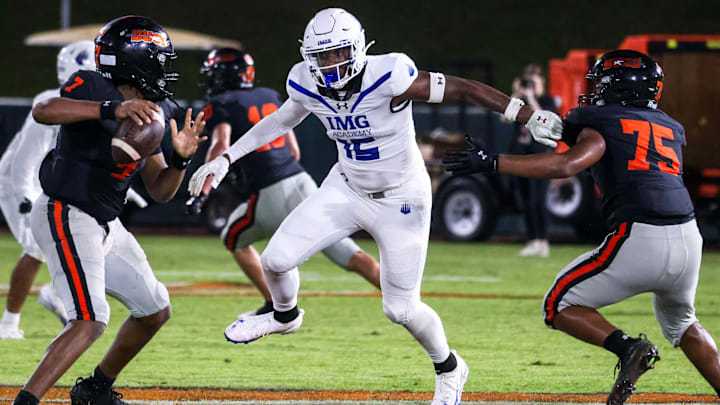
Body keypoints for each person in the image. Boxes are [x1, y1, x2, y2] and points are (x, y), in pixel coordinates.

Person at [189, 8, 562, 404]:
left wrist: (526, 115)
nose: (330, 64)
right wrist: (226, 158)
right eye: (321, 56)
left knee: (400, 309)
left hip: (401, 197)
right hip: (347, 187)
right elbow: (282, 121)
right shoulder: (305, 81)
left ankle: (450, 367)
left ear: (357, 49)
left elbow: (463, 89)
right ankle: (285, 316)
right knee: (275, 261)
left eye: (337, 53)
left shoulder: (391, 75)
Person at [442, 49, 720, 404]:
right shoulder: (671, 127)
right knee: (684, 323)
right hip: (689, 239)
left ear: (618, 88)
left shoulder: (603, 120)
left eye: (601, 84)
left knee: (558, 304)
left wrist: (494, 162)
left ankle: (629, 348)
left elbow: (567, 165)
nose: (595, 91)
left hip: (640, 236)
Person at [12, 16, 206, 405]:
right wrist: (111, 109)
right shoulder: (91, 83)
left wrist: (181, 160)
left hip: (104, 222)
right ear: (137, 60)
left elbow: (160, 190)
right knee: (89, 320)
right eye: (159, 59)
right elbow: (44, 110)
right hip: (66, 211)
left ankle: (95, 388)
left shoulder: (152, 110)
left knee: (154, 310)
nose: (164, 68)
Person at [187, 47, 381, 318]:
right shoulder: (269, 95)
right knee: (348, 253)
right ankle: (405, 298)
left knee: (232, 237)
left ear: (220, 75)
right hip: (302, 182)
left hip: (270, 191)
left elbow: (220, 144)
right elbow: (294, 149)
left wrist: (203, 192)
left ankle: (274, 303)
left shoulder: (221, 103)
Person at [0, 40, 96, 339]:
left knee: (91, 238)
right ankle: (8, 323)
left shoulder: (91, 105)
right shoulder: (52, 101)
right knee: (36, 247)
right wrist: (24, 196)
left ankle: (56, 293)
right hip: (17, 182)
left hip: (48, 181)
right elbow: (25, 157)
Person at [510, 64, 557, 257]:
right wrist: (515, 95)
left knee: (538, 199)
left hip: (541, 157)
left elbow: (543, 118)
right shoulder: (520, 102)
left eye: (533, 80)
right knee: (526, 199)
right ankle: (533, 240)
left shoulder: (547, 100)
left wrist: (531, 97)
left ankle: (543, 240)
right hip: (522, 157)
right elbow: (505, 118)